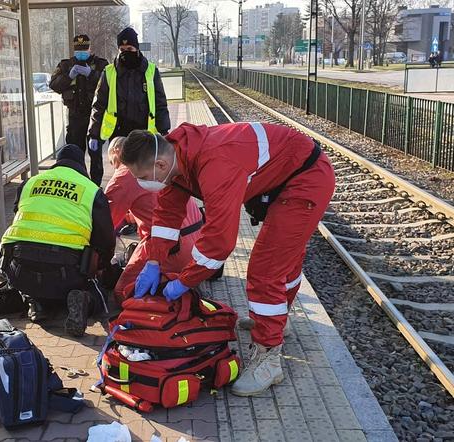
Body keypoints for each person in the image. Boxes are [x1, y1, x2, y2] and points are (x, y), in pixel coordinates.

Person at [120, 123, 335, 396]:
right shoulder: (177, 158)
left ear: (160, 165)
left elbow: (219, 243)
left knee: (266, 269)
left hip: (306, 179)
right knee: (283, 258)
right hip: (286, 174)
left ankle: (269, 358)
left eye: (141, 176)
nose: (141, 182)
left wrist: (185, 281)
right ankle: (279, 319)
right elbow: (166, 217)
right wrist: (153, 262)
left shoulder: (216, 162)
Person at [0, 144, 115, 337]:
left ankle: (37, 303)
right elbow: (105, 241)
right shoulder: (91, 190)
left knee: (38, 276)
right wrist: (101, 267)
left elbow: (19, 214)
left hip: (19, 270)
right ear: (81, 167)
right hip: (67, 274)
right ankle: (85, 300)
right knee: (98, 293)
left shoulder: (30, 183)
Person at [104, 137, 208, 304]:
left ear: (117, 153)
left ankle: (171, 291)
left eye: (112, 162)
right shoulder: (161, 165)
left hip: (173, 248)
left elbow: (105, 222)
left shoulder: (124, 174)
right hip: (197, 244)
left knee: (122, 292)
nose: (114, 167)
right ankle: (184, 279)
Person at [87, 27, 170, 186]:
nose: (126, 52)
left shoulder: (151, 71)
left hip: (144, 132)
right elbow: (98, 105)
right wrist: (93, 133)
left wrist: (164, 130)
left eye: (130, 49)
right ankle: (124, 203)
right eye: (122, 49)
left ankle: (142, 203)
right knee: (122, 173)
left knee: (143, 171)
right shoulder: (109, 72)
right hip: (119, 132)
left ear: (137, 49)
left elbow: (160, 102)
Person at [49, 35, 108, 180]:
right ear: (74, 49)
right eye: (78, 50)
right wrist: (69, 76)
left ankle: (95, 185)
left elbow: (109, 84)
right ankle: (78, 181)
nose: (81, 52)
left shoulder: (100, 64)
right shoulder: (65, 65)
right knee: (74, 153)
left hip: (95, 116)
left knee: (95, 154)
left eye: (84, 49)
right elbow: (54, 85)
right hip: (75, 116)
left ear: (90, 48)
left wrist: (92, 74)